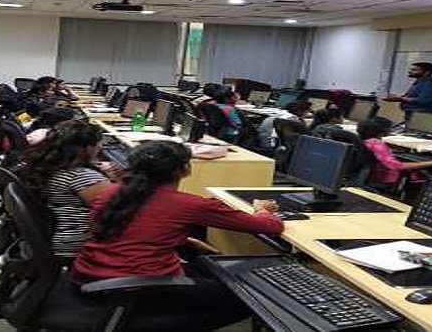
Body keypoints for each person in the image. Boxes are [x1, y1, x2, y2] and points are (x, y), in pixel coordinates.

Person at [72, 141, 283, 330]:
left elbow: (132, 229)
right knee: (249, 299)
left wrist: (181, 239)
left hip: (86, 278)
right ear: (185, 169)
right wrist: (263, 210)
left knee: (206, 271)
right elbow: (270, 226)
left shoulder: (110, 192)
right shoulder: (189, 204)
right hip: (135, 289)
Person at [16, 120, 112, 260]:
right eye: (99, 144)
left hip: (56, 240)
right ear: (87, 148)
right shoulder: (83, 177)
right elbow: (117, 213)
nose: (101, 147)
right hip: (78, 246)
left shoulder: (46, 166)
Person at [357, 117, 432, 196]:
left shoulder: (365, 141)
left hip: (371, 178)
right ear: (382, 132)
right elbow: (398, 166)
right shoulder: (377, 145)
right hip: (386, 181)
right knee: (430, 173)